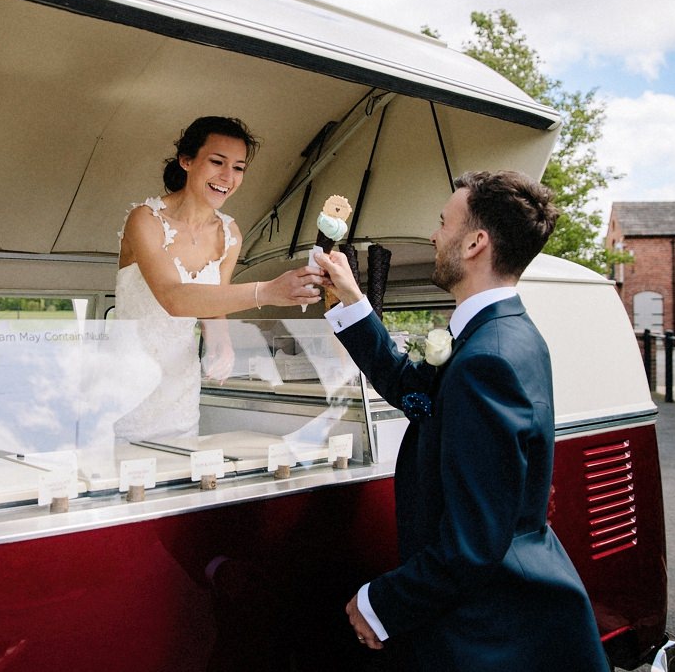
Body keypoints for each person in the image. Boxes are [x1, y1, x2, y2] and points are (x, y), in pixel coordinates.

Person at [314, 170, 607, 671]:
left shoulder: (487, 358)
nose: (433, 235)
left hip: (491, 632)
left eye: (443, 223)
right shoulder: (504, 331)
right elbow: (419, 395)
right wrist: (351, 300)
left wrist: (380, 604)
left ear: (475, 243)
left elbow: (472, 544)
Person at [114, 116, 322, 442]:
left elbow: (213, 310)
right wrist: (265, 291)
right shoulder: (145, 220)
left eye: (239, 168)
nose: (228, 177)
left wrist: (220, 343)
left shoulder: (230, 234)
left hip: (180, 395)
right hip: (126, 393)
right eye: (217, 162)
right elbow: (173, 297)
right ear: (186, 161)